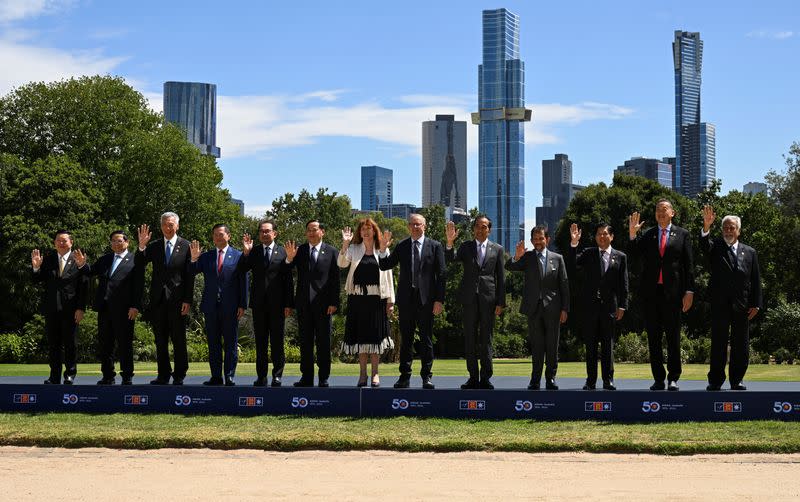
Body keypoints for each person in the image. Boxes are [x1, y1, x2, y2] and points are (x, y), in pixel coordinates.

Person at [629, 199, 694, 391]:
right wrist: (633, 235)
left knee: (673, 337)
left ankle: (673, 378)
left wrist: (689, 291)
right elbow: (633, 255)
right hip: (651, 294)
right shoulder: (648, 235)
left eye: (664, 209)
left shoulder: (683, 235)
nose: (660, 212)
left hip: (673, 295)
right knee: (654, 338)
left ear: (672, 213)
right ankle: (658, 378)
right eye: (657, 210)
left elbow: (688, 266)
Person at [378, 213, 446, 390]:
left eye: (418, 224)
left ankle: (426, 377)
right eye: (412, 224)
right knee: (406, 340)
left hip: (427, 300)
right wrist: (383, 249)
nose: (415, 227)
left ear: (425, 226)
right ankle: (404, 376)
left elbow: (442, 275)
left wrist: (439, 300)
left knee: (426, 339)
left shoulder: (435, 246)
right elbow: (385, 265)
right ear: (408, 227)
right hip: (406, 300)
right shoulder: (402, 246)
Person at [700, 205, 762, 391]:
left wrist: (756, 304)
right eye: (725, 227)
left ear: (738, 231)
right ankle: (715, 380)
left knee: (740, 344)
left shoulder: (750, 252)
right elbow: (704, 245)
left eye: (732, 227)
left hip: (742, 306)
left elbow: (755, 280)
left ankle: (737, 380)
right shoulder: (715, 247)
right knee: (718, 343)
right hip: (720, 304)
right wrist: (706, 227)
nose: (728, 230)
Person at [73, 231, 144, 385]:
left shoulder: (134, 260)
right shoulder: (105, 259)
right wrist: (82, 264)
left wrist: (135, 306)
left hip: (125, 309)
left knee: (125, 344)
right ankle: (107, 376)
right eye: (113, 241)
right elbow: (90, 272)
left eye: (119, 241)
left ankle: (127, 376)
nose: (116, 244)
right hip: (105, 308)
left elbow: (139, 285)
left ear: (127, 242)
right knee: (105, 344)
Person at [445, 216, 505, 390]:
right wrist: (449, 243)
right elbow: (451, 259)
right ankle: (473, 377)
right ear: (473, 229)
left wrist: (501, 302)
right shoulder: (465, 247)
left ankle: (486, 378)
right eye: (477, 226)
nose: (480, 229)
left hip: (489, 300)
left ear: (489, 230)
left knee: (487, 340)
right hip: (469, 299)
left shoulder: (498, 249)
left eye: (484, 226)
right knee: (470, 339)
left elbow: (501, 278)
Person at [505, 226, 569, 390]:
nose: (537, 242)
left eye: (541, 238)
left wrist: (565, 309)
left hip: (553, 308)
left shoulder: (558, 258)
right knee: (537, 346)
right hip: (533, 309)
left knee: (552, 345)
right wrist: (516, 257)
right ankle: (535, 380)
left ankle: (551, 379)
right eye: (534, 239)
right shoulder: (527, 257)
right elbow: (509, 267)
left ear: (547, 239)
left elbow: (564, 285)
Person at [135, 212, 194, 385]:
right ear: (161, 227)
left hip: (178, 301)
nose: (168, 228)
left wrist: (188, 300)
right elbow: (139, 263)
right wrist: (141, 247)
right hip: (158, 301)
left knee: (178, 339)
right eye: (165, 225)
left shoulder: (187, 246)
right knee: (160, 340)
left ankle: (179, 374)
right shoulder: (153, 246)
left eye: (171, 224)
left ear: (177, 226)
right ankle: (163, 375)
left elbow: (190, 276)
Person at [567, 222, 628, 391]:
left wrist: (623, 305)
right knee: (591, 346)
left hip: (610, 308)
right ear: (595, 237)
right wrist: (574, 244)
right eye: (598, 234)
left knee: (608, 346)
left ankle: (608, 380)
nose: (602, 236)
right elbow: (572, 266)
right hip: (590, 308)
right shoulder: (588, 253)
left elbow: (624, 284)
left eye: (605, 234)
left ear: (612, 236)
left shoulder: (620, 256)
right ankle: (591, 381)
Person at [338, 218, 395, 387]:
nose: (366, 231)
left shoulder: (382, 249)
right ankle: (362, 375)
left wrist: (390, 301)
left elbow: (389, 276)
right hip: (357, 300)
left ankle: (375, 374)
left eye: (369, 228)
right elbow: (341, 264)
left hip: (377, 300)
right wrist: (345, 244)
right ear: (359, 232)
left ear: (374, 231)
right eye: (363, 229)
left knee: (375, 340)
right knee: (361, 340)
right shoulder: (354, 249)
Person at [189, 224, 249, 386]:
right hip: (210, 307)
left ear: (228, 236)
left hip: (231, 307)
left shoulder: (237, 256)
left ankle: (229, 375)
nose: (217, 237)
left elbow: (243, 281)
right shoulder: (206, 256)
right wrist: (194, 258)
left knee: (230, 343)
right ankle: (216, 377)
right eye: (215, 234)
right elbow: (192, 271)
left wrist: (243, 304)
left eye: (221, 234)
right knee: (213, 344)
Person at [284, 219, 340, 387]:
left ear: (322, 232)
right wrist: (288, 258)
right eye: (308, 230)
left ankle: (323, 377)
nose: (311, 232)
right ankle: (306, 377)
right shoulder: (299, 250)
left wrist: (334, 302)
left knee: (323, 342)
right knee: (305, 343)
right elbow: (285, 271)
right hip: (303, 305)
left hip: (324, 306)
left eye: (314, 229)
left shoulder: (331, 251)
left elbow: (335, 280)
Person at [238, 220, 294, 387]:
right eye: (261, 231)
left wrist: (288, 304)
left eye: (267, 231)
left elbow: (288, 281)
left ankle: (277, 376)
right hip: (259, 305)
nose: (264, 234)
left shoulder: (284, 252)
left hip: (278, 306)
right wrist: (246, 253)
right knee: (260, 343)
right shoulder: (253, 252)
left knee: (277, 342)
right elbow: (241, 269)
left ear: (274, 233)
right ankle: (261, 377)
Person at [31, 230, 89, 385]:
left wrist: (80, 308)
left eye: (64, 240)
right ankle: (54, 376)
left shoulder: (78, 259)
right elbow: (37, 280)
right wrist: (36, 268)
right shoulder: (49, 259)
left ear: (71, 242)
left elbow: (84, 285)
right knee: (53, 345)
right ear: (54, 242)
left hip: (71, 310)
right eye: (58, 240)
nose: (61, 243)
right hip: (52, 309)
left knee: (70, 344)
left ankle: (70, 374)